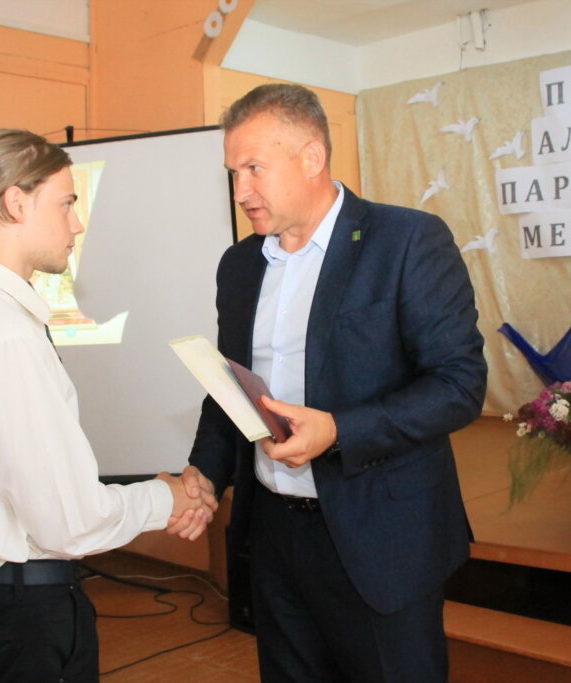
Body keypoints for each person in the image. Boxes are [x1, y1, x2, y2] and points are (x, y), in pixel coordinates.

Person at [187, 84, 487, 682]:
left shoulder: (406, 242)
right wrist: (202, 471)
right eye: (233, 172)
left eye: (254, 169)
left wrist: (339, 430)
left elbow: (459, 383)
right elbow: (232, 387)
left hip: (381, 537)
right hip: (273, 535)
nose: (241, 191)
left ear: (312, 157)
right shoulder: (240, 265)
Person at [0, 128, 216, 683]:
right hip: (18, 610)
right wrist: (165, 498)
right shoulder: (2, 333)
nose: (77, 222)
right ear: (15, 203)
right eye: (67, 203)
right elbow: (66, 522)